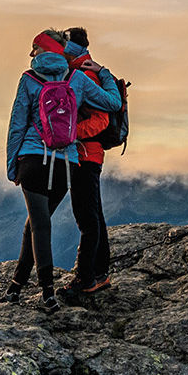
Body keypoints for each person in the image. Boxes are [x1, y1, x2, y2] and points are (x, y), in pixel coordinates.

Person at [2, 29, 122, 307]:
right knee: (37, 224)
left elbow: (17, 124)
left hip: (33, 158)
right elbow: (113, 103)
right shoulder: (77, 78)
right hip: (67, 162)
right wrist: (104, 73)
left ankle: (44, 292)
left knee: (39, 225)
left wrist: (12, 167)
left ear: (39, 50)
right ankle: (21, 288)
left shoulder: (29, 79)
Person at [62, 27, 118, 294]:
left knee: (87, 218)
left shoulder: (86, 75)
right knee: (94, 215)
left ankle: (85, 279)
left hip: (86, 154)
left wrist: (72, 135)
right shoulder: (83, 72)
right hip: (89, 154)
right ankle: (99, 274)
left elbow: (102, 118)